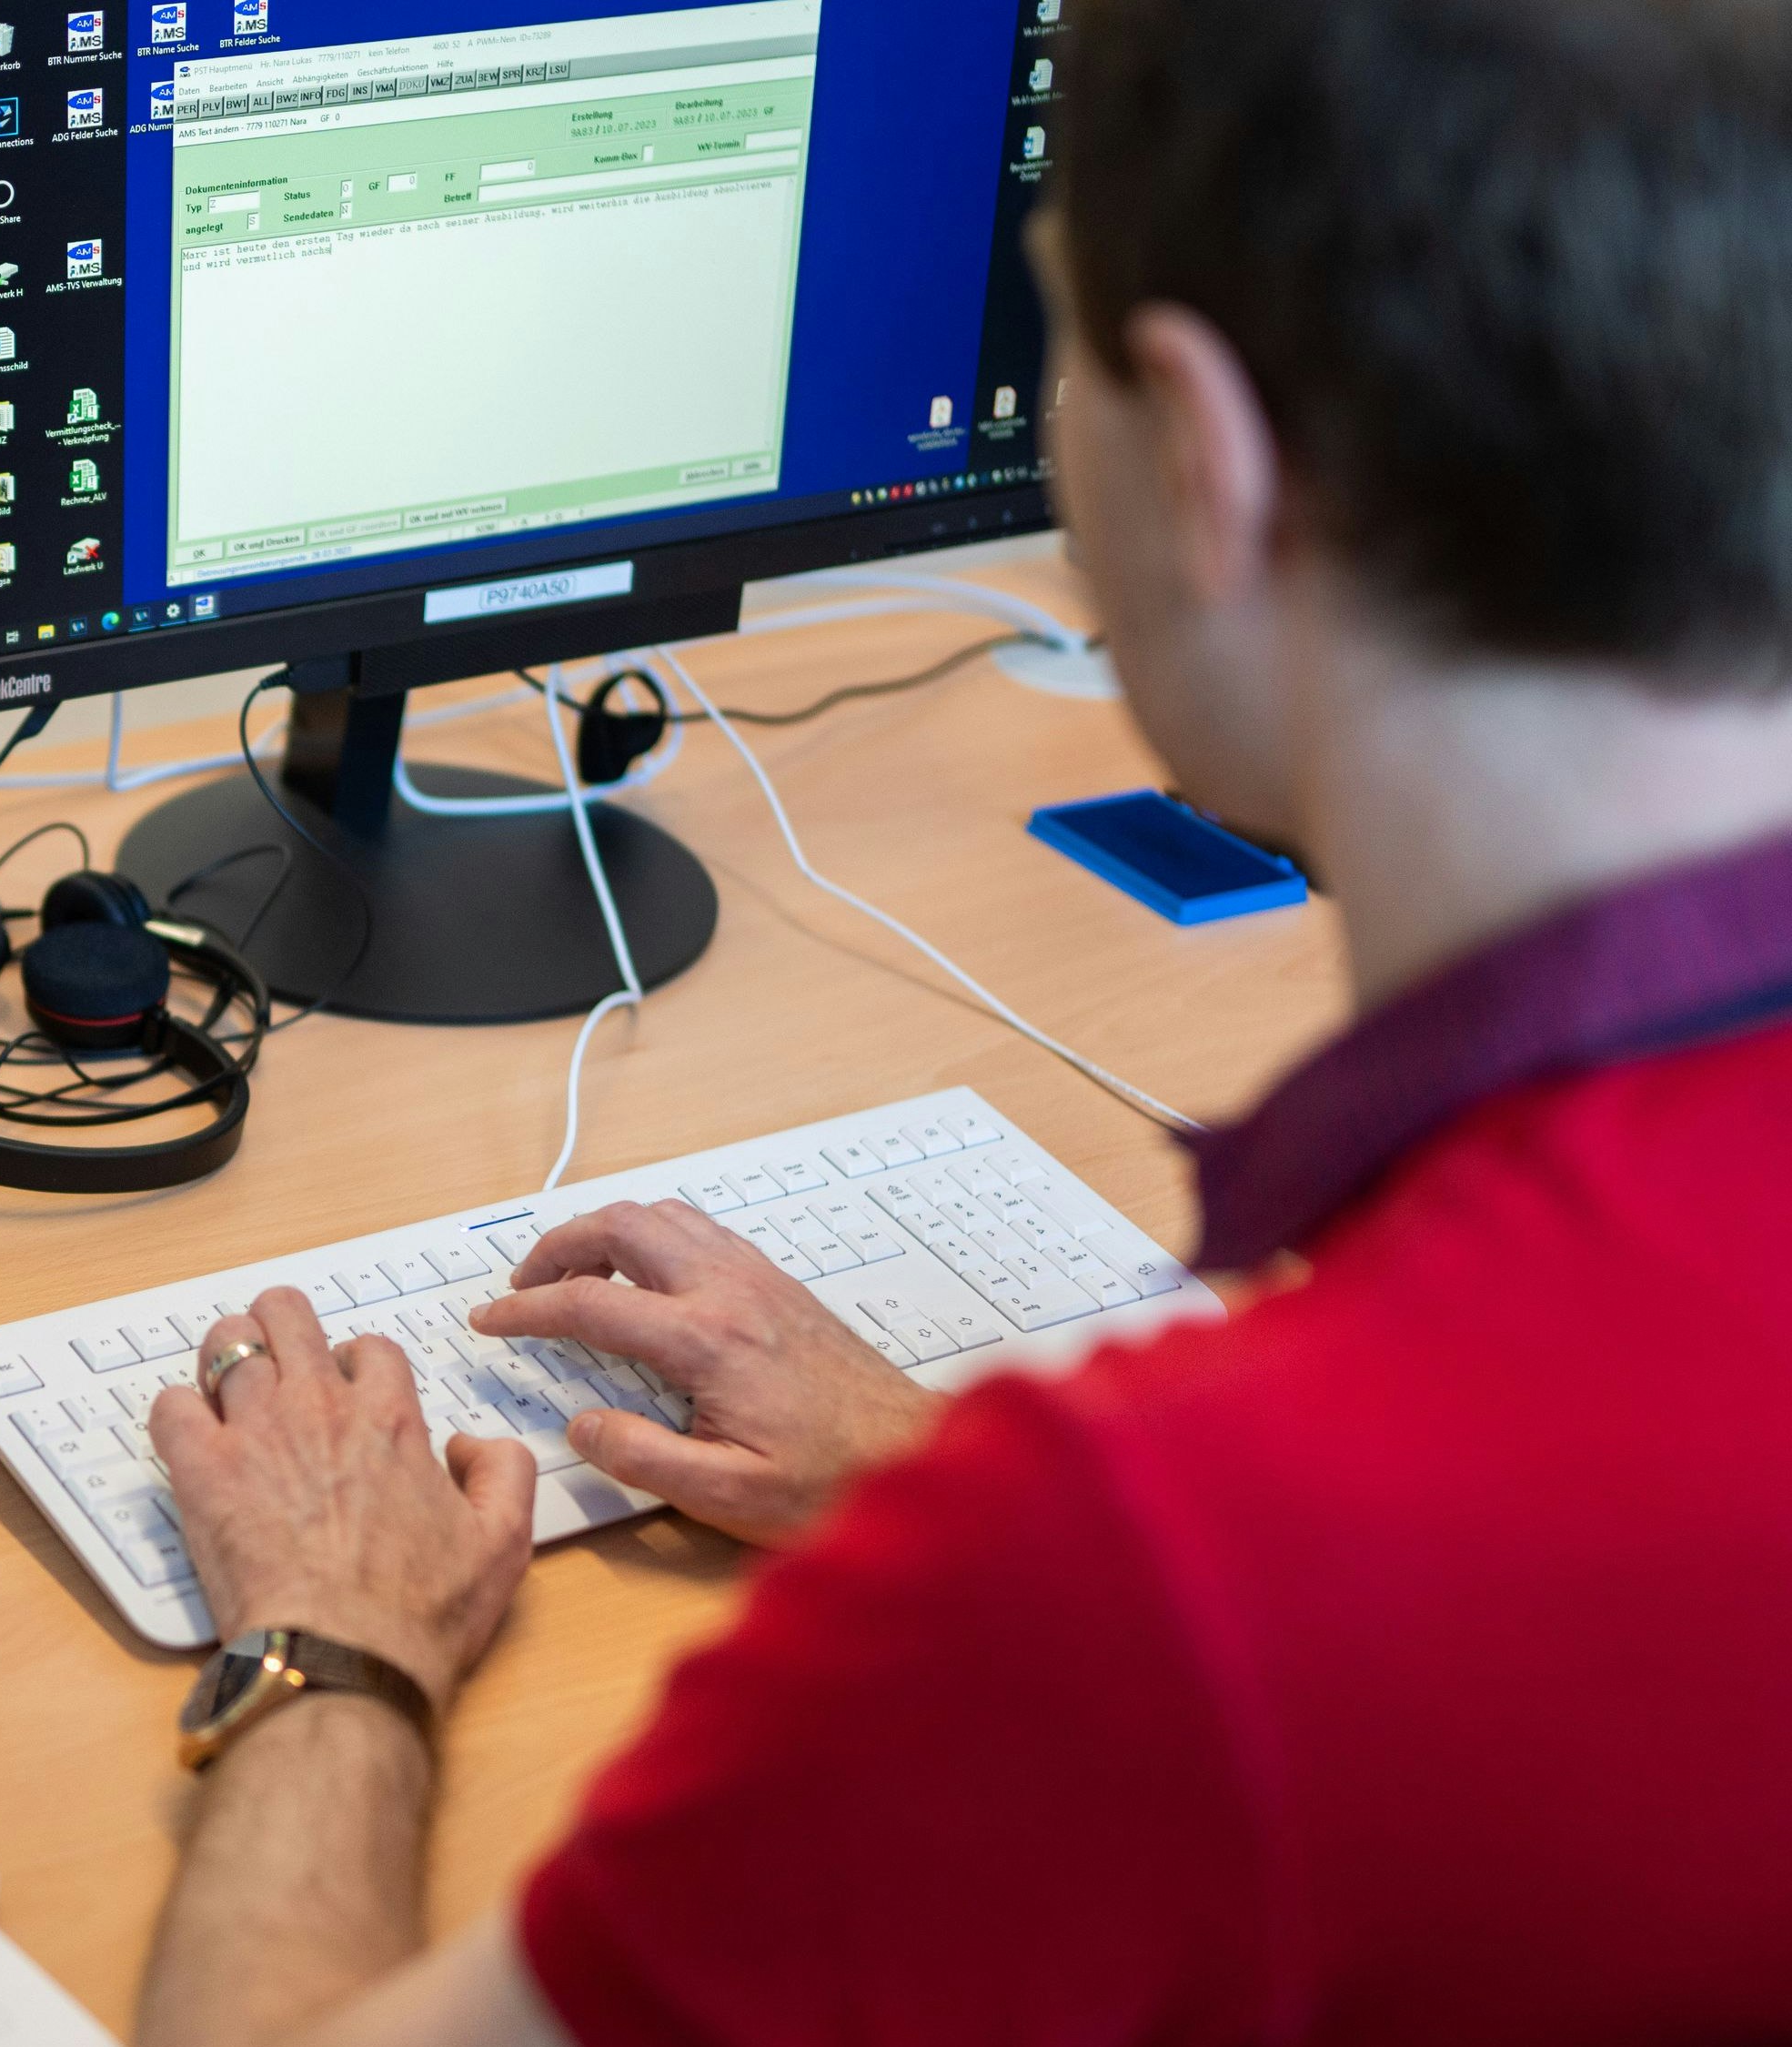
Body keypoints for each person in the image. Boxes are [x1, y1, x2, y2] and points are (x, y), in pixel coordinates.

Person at [131, 0, 1792, 2039]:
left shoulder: (1153, 1577)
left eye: (1053, 338)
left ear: (1202, 455)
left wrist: (332, 1631)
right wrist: (912, 1465)